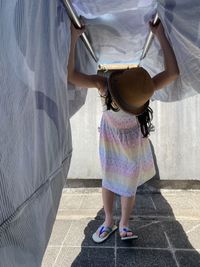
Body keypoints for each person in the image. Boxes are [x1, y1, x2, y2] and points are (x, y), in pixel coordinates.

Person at [68, 19, 179, 242]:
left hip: (133, 143)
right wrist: (73, 39)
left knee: (129, 185)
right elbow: (70, 76)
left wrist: (160, 36)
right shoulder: (104, 84)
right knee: (109, 180)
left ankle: (124, 223)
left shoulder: (141, 86)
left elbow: (173, 73)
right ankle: (108, 221)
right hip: (111, 139)